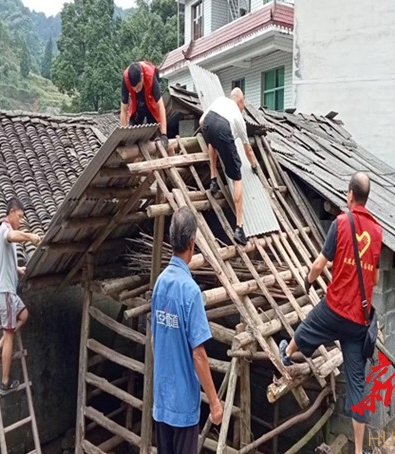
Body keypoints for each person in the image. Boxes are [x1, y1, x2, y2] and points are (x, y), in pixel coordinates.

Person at [279, 172, 382, 454]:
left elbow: (318, 265)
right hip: (359, 321)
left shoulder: (340, 223)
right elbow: (375, 277)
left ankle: (286, 353)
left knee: (307, 326)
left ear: (350, 193)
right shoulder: (377, 232)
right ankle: (359, 451)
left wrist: (309, 281)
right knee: (357, 386)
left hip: (336, 309)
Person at [151, 206, 223, 454]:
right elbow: (198, 354)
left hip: (162, 400)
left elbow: (155, 337)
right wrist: (214, 402)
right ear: (193, 242)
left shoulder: (160, 283)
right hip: (182, 405)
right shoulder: (190, 291)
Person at [199, 87, 259, 245]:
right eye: (243, 102)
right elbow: (248, 150)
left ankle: (213, 180)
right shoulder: (239, 117)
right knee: (236, 176)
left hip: (207, 123)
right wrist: (254, 166)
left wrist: (209, 135)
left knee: (212, 142)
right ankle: (239, 228)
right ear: (240, 101)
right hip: (224, 129)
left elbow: (201, 121)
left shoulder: (220, 100)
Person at [0, 198, 40, 396]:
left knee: (24, 315)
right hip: (5, 293)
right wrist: (30, 237)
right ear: (11, 213)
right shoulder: (5, 229)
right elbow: (12, 235)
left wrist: (18, 269)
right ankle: (4, 383)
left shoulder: (6, 235)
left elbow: (7, 261)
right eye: (19, 217)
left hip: (8, 293)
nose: (20, 221)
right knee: (10, 334)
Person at [121, 61, 168, 149]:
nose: (136, 90)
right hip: (136, 104)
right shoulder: (125, 78)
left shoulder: (150, 75)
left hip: (150, 103)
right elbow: (123, 110)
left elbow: (161, 105)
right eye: (133, 88)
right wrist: (124, 136)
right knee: (132, 134)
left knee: (155, 131)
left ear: (142, 76)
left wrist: (164, 134)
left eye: (138, 87)